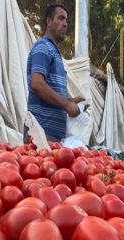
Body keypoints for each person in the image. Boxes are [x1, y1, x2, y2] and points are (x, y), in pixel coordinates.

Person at [24, 4, 88, 144]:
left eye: (66, 20)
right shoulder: (43, 47)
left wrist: (71, 101)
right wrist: (67, 105)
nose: (65, 24)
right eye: (61, 18)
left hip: (52, 133)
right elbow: (37, 84)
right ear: (49, 22)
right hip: (41, 131)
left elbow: (50, 91)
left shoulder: (55, 52)